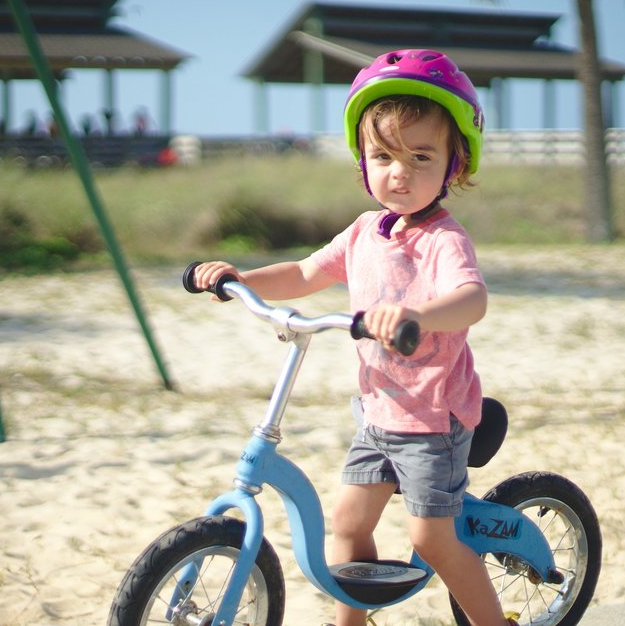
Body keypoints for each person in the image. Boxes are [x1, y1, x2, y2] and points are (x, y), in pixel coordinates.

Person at [192, 49, 512, 626]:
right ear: (363, 163)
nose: (401, 172)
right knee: (347, 523)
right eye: (384, 156)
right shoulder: (365, 231)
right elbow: (306, 274)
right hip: (379, 411)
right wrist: (239, 277)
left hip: (433, 418)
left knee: (433, 539)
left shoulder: (443, 241)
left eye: (421, 156)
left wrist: (413, 313)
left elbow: (473, 299)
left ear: (453, 165)